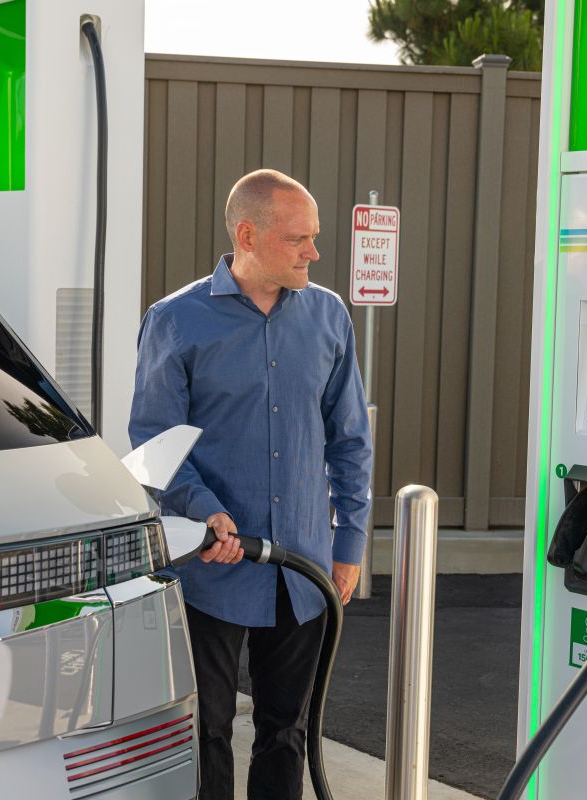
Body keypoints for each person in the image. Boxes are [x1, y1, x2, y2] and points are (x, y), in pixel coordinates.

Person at [129, 168, 372, 800]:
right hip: (209, 570)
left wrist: (349, 545)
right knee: (204, 730)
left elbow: (350, 440)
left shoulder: (328, 316)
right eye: (299, 239)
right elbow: (155, 445)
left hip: (302, 570)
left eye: (314, 238)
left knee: (286, 732)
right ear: (248, 233)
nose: (314, 253)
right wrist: (204, 510)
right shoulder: (176, 321)